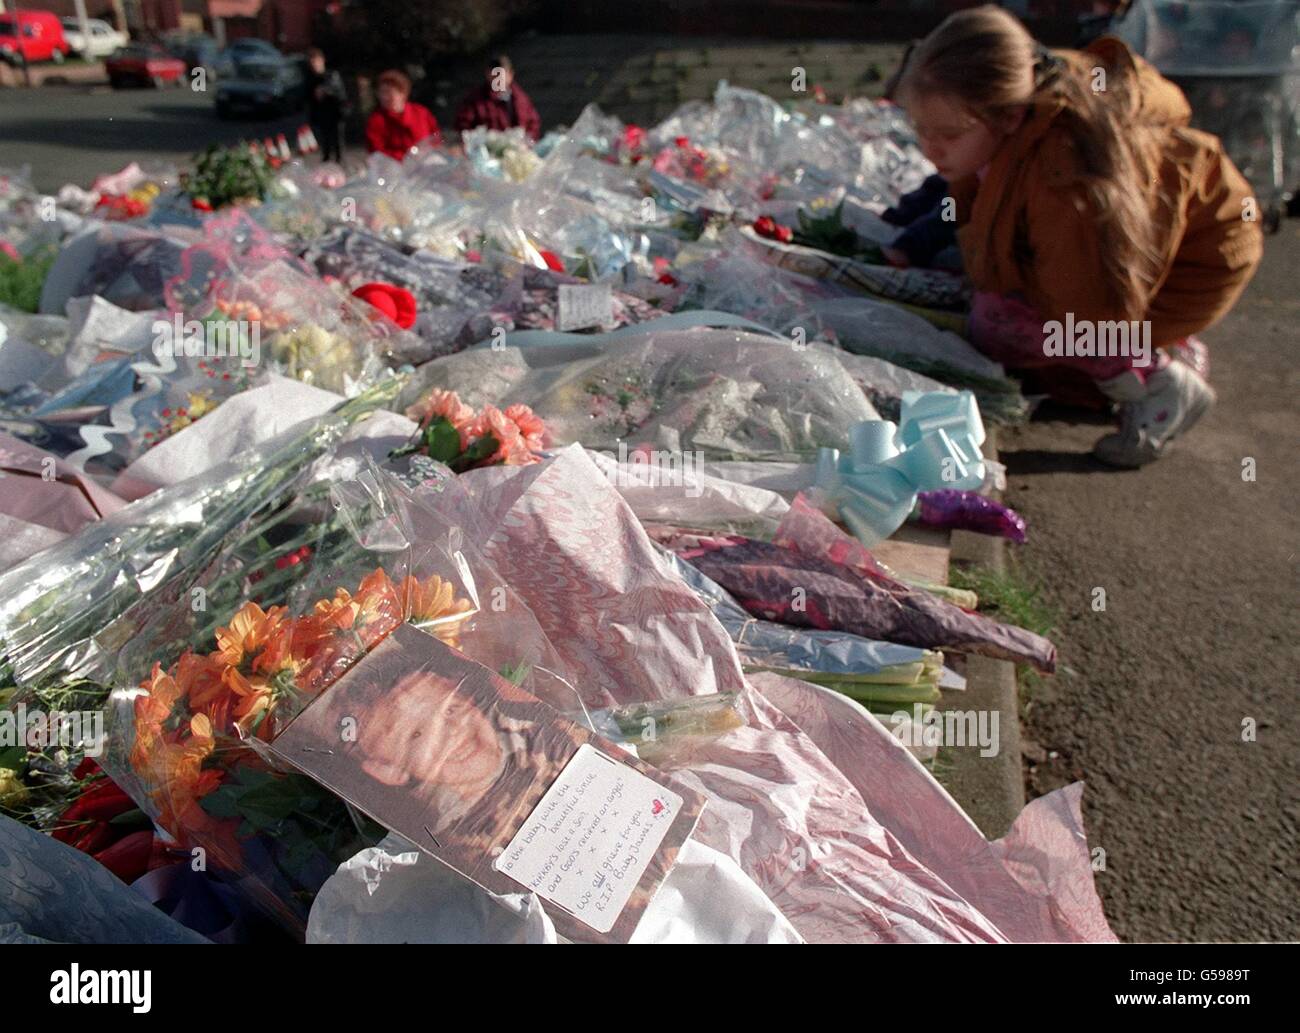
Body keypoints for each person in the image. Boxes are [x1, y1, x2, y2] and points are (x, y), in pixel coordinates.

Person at [896, 5, 1262, 467]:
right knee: (996, 309)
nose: (931, 148)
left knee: (998, 325)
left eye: (947, 133)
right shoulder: (1009, 120)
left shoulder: (1064, 175)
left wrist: (1046, 325)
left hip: (1198, 263)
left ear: (1009, 115)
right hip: (1142, 254)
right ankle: (1149, 350)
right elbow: (971, 211)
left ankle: (1161, 385)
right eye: (920, 131)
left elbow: (1089, 306)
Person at [454, 55, 541, 141]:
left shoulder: (521, 99)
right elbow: (463, 126)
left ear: (511, 74)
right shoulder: (475, 99)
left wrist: (526, 141)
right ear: (488, 74)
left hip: (517, 150)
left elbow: (533, 124)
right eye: (495, 75)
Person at [365, 69, 440, 161]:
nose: (384, 97)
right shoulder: (376, 120)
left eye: (388, 92)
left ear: (403, 93)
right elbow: (377, 151)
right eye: (381, 92)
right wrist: (405, 158)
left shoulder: (420, 112)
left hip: (426, 162)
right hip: (395, 168)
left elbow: (435, 137)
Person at [306, 48, 347, 164]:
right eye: (312, 63)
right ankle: (327, 168)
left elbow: (338, 92)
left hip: (335, 114)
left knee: (338, 143)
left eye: (316, 62)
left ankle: (340, 167)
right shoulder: (311, 79)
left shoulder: (332, 75)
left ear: (322, 61)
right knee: (325, 145)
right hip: (321, 115)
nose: (314, 65)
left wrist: (325, 91)